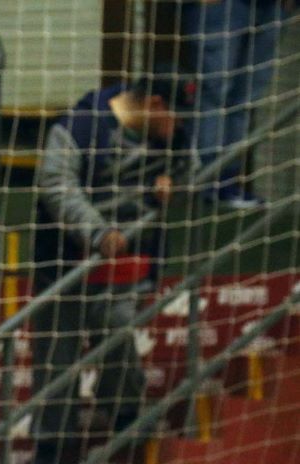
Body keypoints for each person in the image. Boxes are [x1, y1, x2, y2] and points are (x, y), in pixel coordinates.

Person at [31, 68, 193, 464]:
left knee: (119, 340)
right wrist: (98, 231)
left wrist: (173, 181)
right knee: (56, 361)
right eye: (174, 118)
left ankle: (126, 424)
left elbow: (189, 166)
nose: (178, 129)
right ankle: (52, 446)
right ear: (155, 104)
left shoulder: (170, 138)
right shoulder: (81, 125)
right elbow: (55, 185)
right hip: (66, 263)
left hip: (126, 267)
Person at [181, 0, 282, 207]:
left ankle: (229, 181)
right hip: (221, 7)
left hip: (272, 7)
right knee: (214, 94)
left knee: (245, 100)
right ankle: (209, 180)